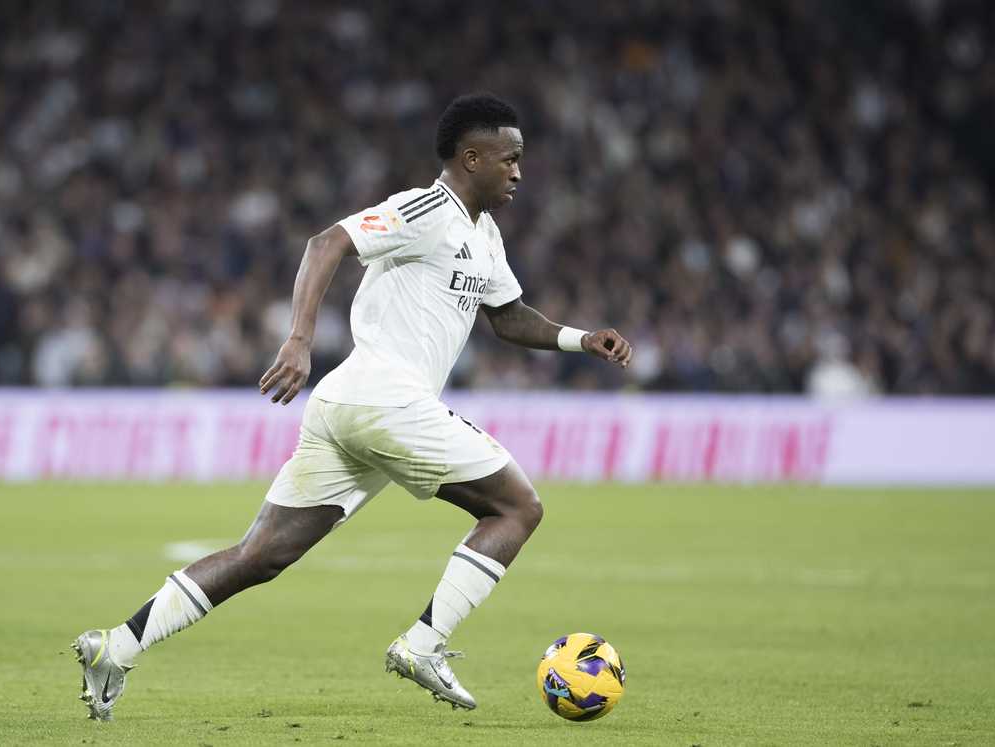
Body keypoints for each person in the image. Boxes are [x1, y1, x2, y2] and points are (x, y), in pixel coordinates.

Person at [71, 93, 633, 720]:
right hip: (382, 398)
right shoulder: (425, 209)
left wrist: (580, 338)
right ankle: (425, 643)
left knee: (259, 557)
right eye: (510, 159)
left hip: (350, 408)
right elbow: (324, 244)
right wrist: (299, 338)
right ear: (471, 158)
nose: (520, 172)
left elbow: (507, 317)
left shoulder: (485, 236)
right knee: (518, 506)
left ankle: (114, 647)